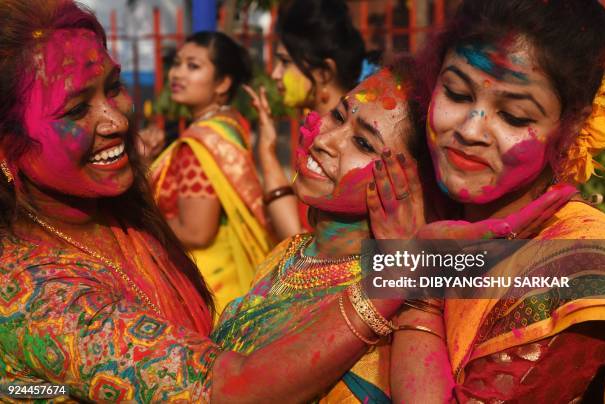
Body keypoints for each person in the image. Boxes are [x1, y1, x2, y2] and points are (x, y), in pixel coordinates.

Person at [0, 1, 419, 401]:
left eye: (114, 88)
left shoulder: (429, 261)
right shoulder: (32, 295)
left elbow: (479, 271)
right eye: (75, 110)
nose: (120, 120)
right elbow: (224, 390)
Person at [212, 66, 575, 402]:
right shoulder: (289, 254)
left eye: (364, 144)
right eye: (338, 116)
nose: (327, 141)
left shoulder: (397, 301)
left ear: (414, 184)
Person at [370, 0, 605, 401]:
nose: (470, 130)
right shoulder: (411, 201)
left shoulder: (580, 264)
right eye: (457, 93)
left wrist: (420, 283)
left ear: (572, 126)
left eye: (514, 116)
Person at [149, 32, 271, 312]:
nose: (177, 73)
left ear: (223, 82)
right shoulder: (229, 125)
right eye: (177, 63)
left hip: (211, 286)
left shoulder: (199, 144)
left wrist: (140, 221)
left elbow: (196, 231)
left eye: (193, 66)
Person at [246, 0, 380, 240]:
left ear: (323, 73)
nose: (275, 74)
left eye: (285, 62)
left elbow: (299, 239)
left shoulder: (334, 145)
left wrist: (267, 153)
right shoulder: (317, 130)